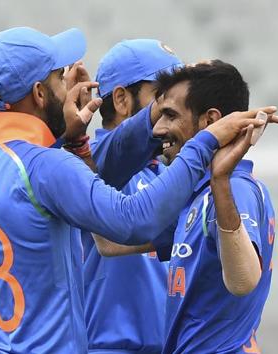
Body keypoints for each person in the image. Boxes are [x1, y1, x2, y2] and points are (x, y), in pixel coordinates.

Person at [0, 27, 272, 354]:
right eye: (60, 77)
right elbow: (131, 220)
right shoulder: (48, 167)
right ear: (41, 94)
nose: (70, 84)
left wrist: (74, 141)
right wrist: (206, 142)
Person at [94, 60, 278, 353]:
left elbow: (244, 280)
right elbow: (109, 242)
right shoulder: (197, 196)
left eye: (170, 115)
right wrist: (79, 151)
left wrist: (219, 180)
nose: (158, 129)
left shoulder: (235, 188)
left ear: (210, 121)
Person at [81, 39, 182, 354]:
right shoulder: (88, 162)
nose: (175, 109)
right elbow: (117, 152)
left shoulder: (167, 170)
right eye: (162, 97)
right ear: (122, 99)